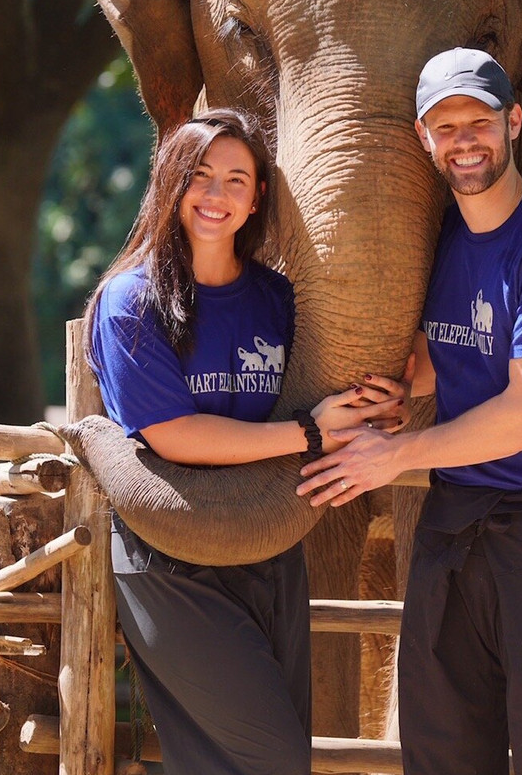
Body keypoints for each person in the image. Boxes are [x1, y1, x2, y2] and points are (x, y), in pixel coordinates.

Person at [297, 48, 522, 775]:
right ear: (423, 138)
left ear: (513, 121)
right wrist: (396, 392)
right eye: (446, 127)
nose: (464, 140)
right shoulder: (444, 238)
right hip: (453, 523)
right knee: (441, 752)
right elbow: (447, 351)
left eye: (479, 121)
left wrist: (397, 454)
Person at [84, 109, 404, 775]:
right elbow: (174, 435)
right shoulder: (130, 301)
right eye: (200, 176)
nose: (216, 195)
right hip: (169, 557)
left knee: (230, 762)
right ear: (170, 183)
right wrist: (310, 431)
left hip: (269, 550)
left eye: (237, 179)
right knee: (273, 758)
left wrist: (378, 405)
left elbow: (325, 387)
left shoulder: (278, 299)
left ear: (258, 196)